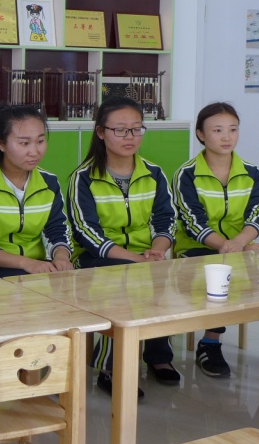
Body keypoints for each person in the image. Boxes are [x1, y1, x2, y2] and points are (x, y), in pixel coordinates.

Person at [68, 95, 178, 396]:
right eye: (120, 130)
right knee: (121, 281)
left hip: (145, 253)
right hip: (97, 257)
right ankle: (110, 367)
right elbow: (87, 232)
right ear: (101, 132)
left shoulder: (154, 173)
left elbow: (167, 219)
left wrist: (158, 249)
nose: (130, 136)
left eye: (136, 129)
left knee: (164, 275)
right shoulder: (83, 178)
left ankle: (158, 355)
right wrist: (136, 260)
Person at [172, 102, 259, 379]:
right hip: (197, 248)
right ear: (201, 134)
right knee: (217, 272)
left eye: (233, 129)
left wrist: (240, 243)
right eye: (217, 130)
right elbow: (193, 221)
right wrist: (229, 247)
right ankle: (210, 343)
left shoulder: (252, 173)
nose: (226, 137)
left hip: (240, 245)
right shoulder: (187, 174)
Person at [0, 103, 72, 278]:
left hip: (35, 266)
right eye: (24, 143)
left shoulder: (49, 182)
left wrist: (61, 257)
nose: (34, 151)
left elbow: (57, 229)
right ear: (1, 143)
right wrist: (26, 264)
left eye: (40, 141)